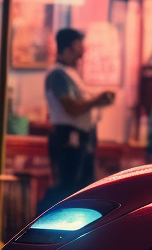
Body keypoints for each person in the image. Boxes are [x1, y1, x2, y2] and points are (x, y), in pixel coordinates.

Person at [41, 28, 115, 210]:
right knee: (67, 190)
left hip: (82, 138)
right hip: (68, 138)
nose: (84, 48)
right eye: (79, 43)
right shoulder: (58, 74)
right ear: (70, 47)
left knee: (82, 189)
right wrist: (97, 100)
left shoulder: (72, 74)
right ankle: (50, 230)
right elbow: (71, 108)